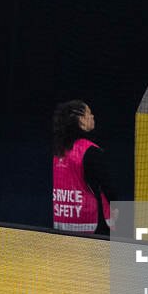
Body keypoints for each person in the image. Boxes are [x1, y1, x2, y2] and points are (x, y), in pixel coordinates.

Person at [49, 99, 109, 235]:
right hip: (91, 223)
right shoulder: (91, 151)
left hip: (63, 223)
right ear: (80, 121)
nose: (93, 116)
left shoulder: (59, 150)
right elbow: (106, 186)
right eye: (89, 113)